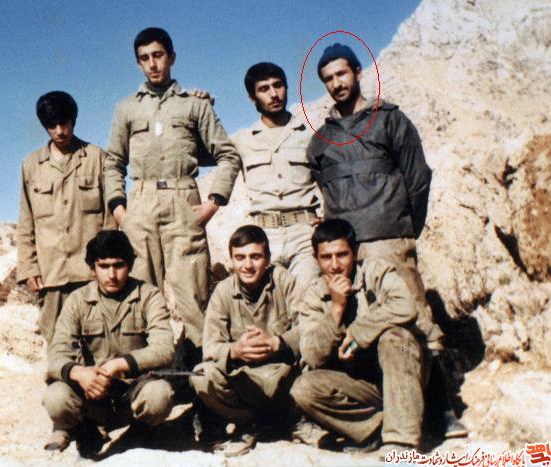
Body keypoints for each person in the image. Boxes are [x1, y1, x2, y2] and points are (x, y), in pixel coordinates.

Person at [308, 44, 466, 437]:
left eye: (342, 74)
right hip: (345, 249)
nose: (336, 83)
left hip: (389, 240)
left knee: (419, 320)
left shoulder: (390, 120)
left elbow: (418, 178)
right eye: (328, 79)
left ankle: (443, 410)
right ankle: (387, 408)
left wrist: (404, 228)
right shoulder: (321, 140)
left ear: (358, 72)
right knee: (360, 321)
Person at [104, 27, 241, 365]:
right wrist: (120, 211)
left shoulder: (194, 105)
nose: (153, 64)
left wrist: (212, 204)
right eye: (144, 58)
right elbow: (114, 162)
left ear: (172, 57)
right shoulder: (126, 109)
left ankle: (205, 378)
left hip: (184, 201)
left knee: (193, 294)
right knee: (139, 294)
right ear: (138, 63)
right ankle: (145, 376)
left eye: (158, 55)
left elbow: (228, 155)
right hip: (141, 203)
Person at [290, 219, 426, 456]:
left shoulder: (375, 272)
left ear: (355, 252)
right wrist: (336, 309)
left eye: (342, 255)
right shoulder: (313, 295)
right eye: (326, 257)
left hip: (402, 375)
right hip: (362, 386)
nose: (335, 265)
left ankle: (402, 441)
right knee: (304, 388)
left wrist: (358, 333)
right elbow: (312, 356)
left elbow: (406, 306)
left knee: (395, 338)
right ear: (315, 259)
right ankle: (378, 428)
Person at [42, 230, 175, 457]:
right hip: (92, 392)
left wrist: (118, 365)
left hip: (132, 391)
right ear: (92, 269)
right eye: (103, 266)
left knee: (159, 395)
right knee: (56, 399)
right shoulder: (77, 300)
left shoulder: (149, 295)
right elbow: (56, 356)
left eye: (119, 265)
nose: (112, 274)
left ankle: (140, 430)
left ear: (130, 265)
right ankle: (83, 427)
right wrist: (80, 374)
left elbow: (164, 349)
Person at [190, 225, 301, 456]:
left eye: (255, 257)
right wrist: (236, 350)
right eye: (240, 258)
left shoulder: (283, 280)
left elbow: (310, 329)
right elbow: (210, 347)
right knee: (201, 374)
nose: (247, 265)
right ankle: (252, 422)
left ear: (268, 259)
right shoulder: (223, 291)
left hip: (282, 375)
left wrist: (277, 342)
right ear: (231, 261)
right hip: (244, 380)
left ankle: (292, 420)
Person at [17, 91, 112, 344]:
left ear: (73, 120)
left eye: (64, 123)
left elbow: (110, 219)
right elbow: (26, 220)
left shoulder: (96, 158)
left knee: (98, 343)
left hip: (90, 274)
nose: (60, 131)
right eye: (52, 126)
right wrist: (29, 267)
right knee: (58, 345)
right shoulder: (31, 165)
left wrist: (106, 266)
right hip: (51, 275)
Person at [232, 62, 321, 289]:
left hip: (304, 234)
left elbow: (330, 183)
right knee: (271, 303)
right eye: (264, 89)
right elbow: (203, 153)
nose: (274, 94)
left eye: (278, 85)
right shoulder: (242, 140)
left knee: (309, 299)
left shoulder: (308, 135)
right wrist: (203, 107)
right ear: (252, 97)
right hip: (263, 236)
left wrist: (326, 220)